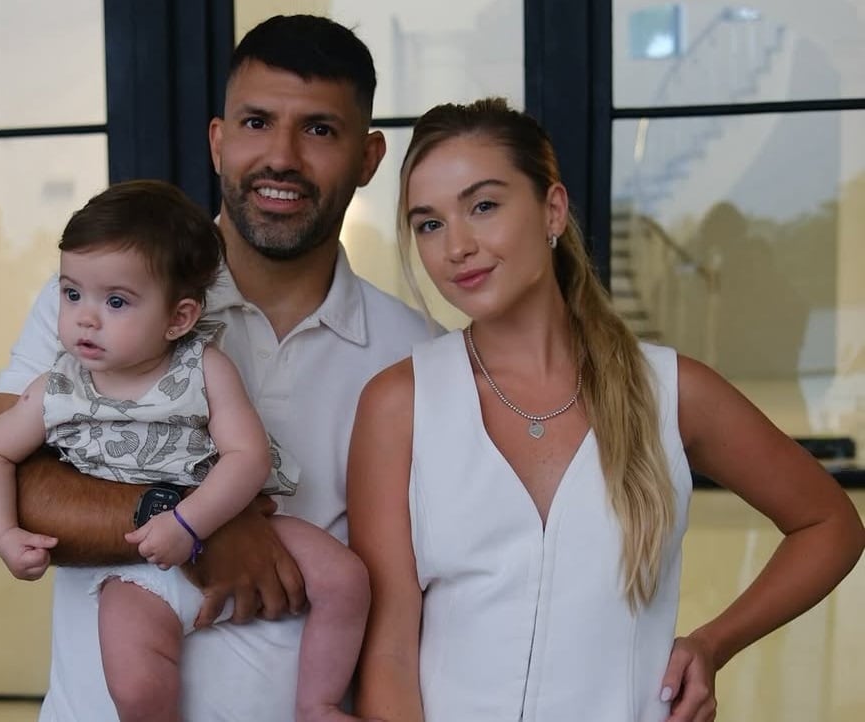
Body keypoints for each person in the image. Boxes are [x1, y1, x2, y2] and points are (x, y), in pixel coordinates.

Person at [0, 14, 436, 722]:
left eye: (320, 129)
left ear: (369, 156)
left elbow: (424, 597)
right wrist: (197, 523)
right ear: (218, 140)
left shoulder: (416, 351)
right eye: (257, 122)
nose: (282, 157)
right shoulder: (99, 305)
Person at [348, 97, 865, 722]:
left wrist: (712, 645)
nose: (456, 246)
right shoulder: (399, 404)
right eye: (429, 224)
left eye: (483, 206)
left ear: (552, 210)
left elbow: (830, 525)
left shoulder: (670, 391)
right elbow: (390, 652)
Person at [0, 179, 376, 722]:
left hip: (225, 521)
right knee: (135, 682)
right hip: (130, 564)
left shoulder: (202, 368)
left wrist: (189, 523)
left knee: (346, 579)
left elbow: (247, 457)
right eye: (71, 293)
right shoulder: (57, 389)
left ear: (178, 318)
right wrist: (4, 534)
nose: (85, 317)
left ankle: (317, 704)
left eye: (116, 302)